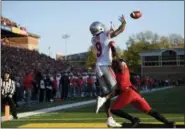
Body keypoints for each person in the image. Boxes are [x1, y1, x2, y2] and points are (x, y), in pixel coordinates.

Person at [98, 59, 176, 128]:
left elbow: (118, 66)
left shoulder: (121, 71)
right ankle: (168, 123)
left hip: (128, 93)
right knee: (150, 111)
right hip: (133, 93)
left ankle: (134, 119)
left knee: (114, 109)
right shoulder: (121, 72)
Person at [89, 14, 126, 127]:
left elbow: (105, 41)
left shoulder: (93, 39)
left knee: (107, 93)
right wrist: (124, 22)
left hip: (98, 67)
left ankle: (109, 119)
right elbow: (120, 31)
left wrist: (110, 32)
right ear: (100, 28)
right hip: (105, 66)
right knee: (117, 90)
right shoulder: (105, 34)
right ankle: (102, 99)